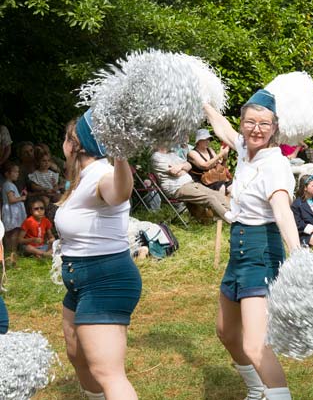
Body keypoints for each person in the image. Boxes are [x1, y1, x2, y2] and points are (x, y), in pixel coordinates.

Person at [204, 89, 302, 400]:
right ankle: (258, 390)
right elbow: (221, 127)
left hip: (261, 249)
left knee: (254, 343)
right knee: (227, 332)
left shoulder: (275, 164)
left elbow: (282, 210)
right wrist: (201, 97)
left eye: (263, 123)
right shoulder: (245, 148)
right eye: (250, 122)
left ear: (275, 127)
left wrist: (298, 254)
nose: (256, 129)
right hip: (240, 248)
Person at [55, 109, 141, 399]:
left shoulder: (103, 174)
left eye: (65, 138)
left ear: (74, 144)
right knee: (77, 355)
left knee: (107, 372)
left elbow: (120, 191)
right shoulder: (82, 177)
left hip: (106, 280)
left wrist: (121, 156)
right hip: (80, 280)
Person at [151, 146, 232, 222]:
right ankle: (231, 220)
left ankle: (237, 216)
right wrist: (183, 168)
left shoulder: (172, 154)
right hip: (178, 188)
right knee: (210, 199)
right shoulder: (156, 157)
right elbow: (175, 173)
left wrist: (181, 167)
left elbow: (189, 165)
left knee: (217, 195)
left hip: (191, 183)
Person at [187, 128, 232, 194]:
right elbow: (205, 166)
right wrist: (220, 154)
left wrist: (225, 158)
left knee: (232, 187)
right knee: (221, 187)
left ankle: (229, 204)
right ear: (198, 141)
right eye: (205, 139)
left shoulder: (210, 150)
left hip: (215, 178)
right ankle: (221, 204)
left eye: (209, 139)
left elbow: (220, 167)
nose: (208, 141)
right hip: (202, 181)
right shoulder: (192, 153)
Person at [1, 162, 27, 232]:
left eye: (18, 172)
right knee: (13, 232)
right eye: (15, 172)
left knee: (15, 231)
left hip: (13, 210)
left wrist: (20, 195)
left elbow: (13, 197)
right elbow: (11, 200)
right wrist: (22, 198)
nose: (17, 174)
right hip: (12, 212)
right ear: (7, 174)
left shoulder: (9, 184)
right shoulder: (8, 185)